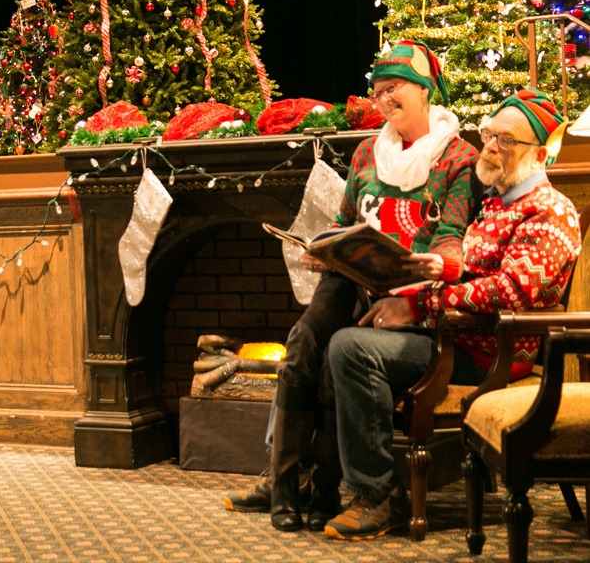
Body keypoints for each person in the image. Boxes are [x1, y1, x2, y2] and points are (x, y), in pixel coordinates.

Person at [223, 39, 481, 532]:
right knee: (302, 342)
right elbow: (344, 223)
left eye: (396, 88)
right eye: (378, 91)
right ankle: (284, 477)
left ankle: (322, 486)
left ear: (425, 90)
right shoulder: (367, 152)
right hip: (356, 283)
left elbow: (452, 243)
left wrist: (427, 274)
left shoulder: (458, 159)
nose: (384, 100)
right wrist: (323, 252)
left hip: (413, 300)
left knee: (337, 353)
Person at [323, 87, 582, 542]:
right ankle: (318, 484)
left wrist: (420, 304)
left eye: (506, 140)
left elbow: (511, 289)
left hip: (492, 352)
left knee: (353, 348)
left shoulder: (549, 210)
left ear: (539, 154)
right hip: (455, 336)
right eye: (489, 134)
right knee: (342, 335)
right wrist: (430, 273)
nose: (490, 146)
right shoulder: (495, 205)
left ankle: (377, 496)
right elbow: (477, 270)